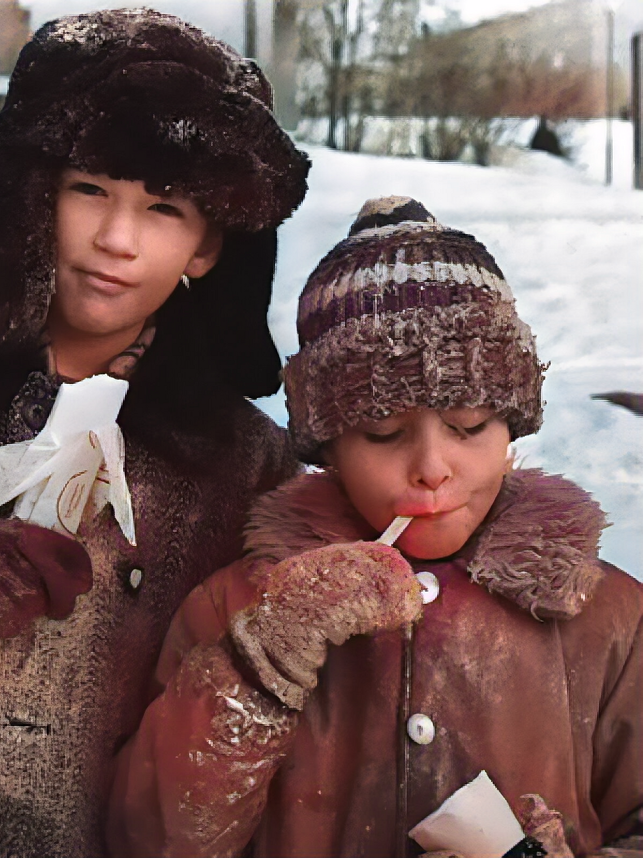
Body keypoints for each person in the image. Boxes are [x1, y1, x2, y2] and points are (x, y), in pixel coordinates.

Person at [0, 9, 310, 856]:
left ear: (207, 245)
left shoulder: (248, 463)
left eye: (162, 207)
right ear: (28, 193)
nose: (117, 240)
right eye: (89, 190)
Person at [105, 196, 643, 858]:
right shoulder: (239, 610)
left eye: (470, 425)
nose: (431, 467)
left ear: (514, 424)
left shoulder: (607, 618)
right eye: (383, 433)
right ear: (327, 447)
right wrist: (259, 665)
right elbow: (152, 840)